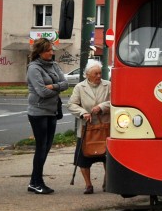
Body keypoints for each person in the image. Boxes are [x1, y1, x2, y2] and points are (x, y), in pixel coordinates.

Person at [26, 38, 69, 194]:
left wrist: (53, 86)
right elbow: (42, 92)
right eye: (48, 50)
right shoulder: (34, 68)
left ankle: (34, 181)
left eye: (52, 50)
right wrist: (57, 88)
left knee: (47, 147)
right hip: (38, 112)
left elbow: (66, 83)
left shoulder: (54, 65)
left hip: (52, 111)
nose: (52, 53)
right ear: (39, 52)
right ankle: (37, 182)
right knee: (41, 148)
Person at [68, 60, 111, 194]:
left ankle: (107, 181)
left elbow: (116, 100)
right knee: (83, 159)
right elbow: (72, 104)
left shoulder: (108, 85)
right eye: (95, 74)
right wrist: (83, 113)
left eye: (100, 73)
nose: (99, 76)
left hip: (105, 127)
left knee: (107, 158)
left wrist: (102, 107)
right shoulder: (80, 87)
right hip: (86, 128)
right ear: (87, 75)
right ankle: (88, 185)